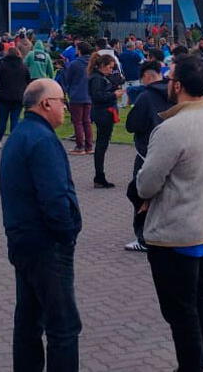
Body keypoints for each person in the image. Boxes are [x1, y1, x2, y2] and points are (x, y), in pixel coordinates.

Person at [136, 56, 203, 372]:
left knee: (180, 310)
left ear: (177, 85)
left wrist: (147, 194)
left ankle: (192, 366)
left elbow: (147, 184)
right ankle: (198, 360)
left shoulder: (172, 128)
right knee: (199, 300)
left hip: (176, 232)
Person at [0, 79, 82, 372]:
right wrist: (67, 233)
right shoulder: (42, 140)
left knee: (29, 320)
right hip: (46, 245)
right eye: (62, 101)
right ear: (46, 103)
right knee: (63, 326)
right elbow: (55, 198)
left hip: (23, 240)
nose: (66, 108)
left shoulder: (21, 134)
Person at [124, 60, 173, 252]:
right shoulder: (175, 93)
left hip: (147, 152)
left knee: (139, 192)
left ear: (146, 77)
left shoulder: (146, 96)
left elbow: (132, 124)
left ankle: (142, 236)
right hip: (172, 151)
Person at [86, 54, 121, 189]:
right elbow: (97, 96)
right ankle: (99, 176)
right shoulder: (97, 78)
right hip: (103, 113)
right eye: (110, 67)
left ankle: (99, 176)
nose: (111, 70)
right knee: (101, 145)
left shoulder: (101, 77)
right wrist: (114, 94)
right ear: (103, 66)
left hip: (105, 112)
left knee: (103, 144)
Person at [0, 45, 31, 148]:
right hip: (18, 97)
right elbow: (28, 80)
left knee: (2, 120)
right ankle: (14, 142)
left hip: (4, 96)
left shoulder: (3, 65)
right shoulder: (23, 66)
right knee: (15, 120)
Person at [62, 41, 94, 155]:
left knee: (78, 122)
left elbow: (68, 78)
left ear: (79, 50)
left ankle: (80, 146)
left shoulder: (75, 64)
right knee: (87, 121)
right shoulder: (92, 63)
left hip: (76, 95)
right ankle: (89, 146)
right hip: (89, 94)